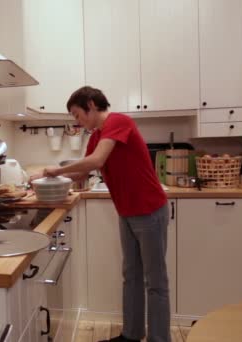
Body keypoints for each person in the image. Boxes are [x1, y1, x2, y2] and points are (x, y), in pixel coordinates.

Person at [39, 86, 170, 342]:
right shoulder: (96, 135)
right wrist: (42, 178)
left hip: (150, 210)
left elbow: (97, 161)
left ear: (90, 104)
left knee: (155, 282)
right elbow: (81, 173)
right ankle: (131, 335)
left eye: (77, 115)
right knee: (131, 276)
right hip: (128, 212)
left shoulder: (119, 121)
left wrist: (55, 171)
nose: (77, 122)